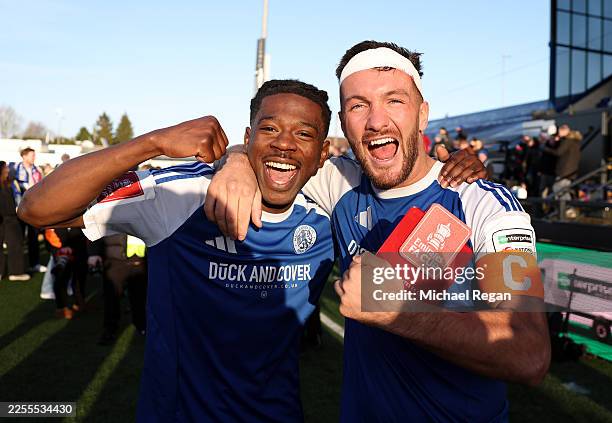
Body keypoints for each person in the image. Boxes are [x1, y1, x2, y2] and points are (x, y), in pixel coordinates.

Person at [19, 79, 483, 422]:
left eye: (304, 134)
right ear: (249, 133)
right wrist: (154, 142)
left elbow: (407, 192)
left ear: (323, 152)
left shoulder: (330, 214)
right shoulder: (180, 195)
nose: (285, 143)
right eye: (270, 130)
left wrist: (459, 167)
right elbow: (37, 209)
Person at [208, 40, 550, 422]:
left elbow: (529, 352)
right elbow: (274, 150)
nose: (376, 121)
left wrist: (396, 310)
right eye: (358, 105)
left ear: (422, 114)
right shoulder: (339, 181)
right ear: (343, 121)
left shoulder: (485, 205)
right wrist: (236, 160)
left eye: (394, 101)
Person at [89, 234, 148, 345]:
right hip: (115, 260)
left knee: (140, 295)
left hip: (140, 258)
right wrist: (94, 253)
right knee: (111, 297)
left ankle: (141, 325)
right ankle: (110, 329)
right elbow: (96, 229)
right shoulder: (107, 215)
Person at [15, 147, 46, 273]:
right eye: (32, 155)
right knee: (18, 238)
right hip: (20, 208)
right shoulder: (15, 169)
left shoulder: (37, 170)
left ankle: (34, 264)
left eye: (34, 155)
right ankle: (18, 266)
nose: (34, 157)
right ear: (24, 156)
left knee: (33, 237)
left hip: (33, 209)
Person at [0, 161, 29, 281]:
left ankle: (15, 272)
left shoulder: (9, 183)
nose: (8, 169)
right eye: (5, 168)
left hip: (11, 218)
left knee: (15, 244)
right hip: (4, 218)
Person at [545, 124, 582, 201]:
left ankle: (567, 209)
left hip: (564, 171)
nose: (558, 133)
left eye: (559, 131)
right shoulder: (575, 142)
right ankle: (567, 208)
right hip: (571, 171)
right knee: (563, 190)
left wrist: (546, 149)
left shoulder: (567, 141)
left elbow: (558, 152)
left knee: (558, 189)